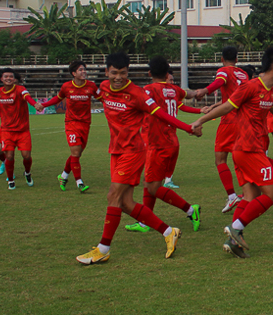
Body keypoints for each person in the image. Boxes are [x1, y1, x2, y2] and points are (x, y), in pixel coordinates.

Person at [76, 52, 201, 265]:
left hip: (133, 152)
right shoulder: (104, 87)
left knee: (113, 196)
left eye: (123, 73)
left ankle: (103, 249)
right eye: (114, 73)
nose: (118, 77)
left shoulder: (138, 94)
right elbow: (90, 91)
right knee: (125, 203)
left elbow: (162, 114)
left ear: (128, 73)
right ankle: (169, 232)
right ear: (107, 72)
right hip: (116, 150)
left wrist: (188, 127)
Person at [189, 48, 273, 258]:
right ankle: (236, 228)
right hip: (248, 150)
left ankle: (233, 241)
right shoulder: (251, 86)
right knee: (272, 193)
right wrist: (200, 120)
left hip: (250, 150)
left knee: (251, 196)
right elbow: (228, 106)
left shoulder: (269, 90)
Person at [125, 56, 203, 233]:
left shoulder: (148, 90)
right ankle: (145, 221)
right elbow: (189, 94)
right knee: (150, 182)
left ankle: (191, 210)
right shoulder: (174, 90)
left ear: (150, 73)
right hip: (171, 142)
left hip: (157, 143)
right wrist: (199, 92)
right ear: (167, 73)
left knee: (153, 187)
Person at [192, 46, 248, 213]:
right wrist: (216, 105)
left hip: (229, 121)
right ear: (237, 60)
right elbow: (235, 97)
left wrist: (205, 90)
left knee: (220, 159)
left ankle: (232, 196)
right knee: (241, 159)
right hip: (245, 121)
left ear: (222, 59)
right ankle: (248, 194)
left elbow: (220, 81)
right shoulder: (243, 74)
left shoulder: (224, 70)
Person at [35, 60, 100, 193]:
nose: (84, 72)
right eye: (81, 70)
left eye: (84, 69)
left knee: (77, 154)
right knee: (75, 152)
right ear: (74, 73)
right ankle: (79, 182)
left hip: (86, 123)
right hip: (71, 123)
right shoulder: (66, 87)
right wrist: (44, 105)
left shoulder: (91, 86)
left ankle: (63, 175)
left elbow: (101, 97)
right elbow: (57, 98)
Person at [241, 65, 273, 190]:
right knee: (260, 157)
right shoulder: (255, 88)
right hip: (258, 130)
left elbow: (228, 103)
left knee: (257, 157)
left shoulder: (259, 87)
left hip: (258, 130)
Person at [0, 68, 38, 190]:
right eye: (6, 76)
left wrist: (34, 104)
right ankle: (11, 180)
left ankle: (27, 173)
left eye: (11, 76)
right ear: (2, 79)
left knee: (26, 156)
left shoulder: (20, 89)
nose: (8, 78)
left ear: (14, 79)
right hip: (7, 131)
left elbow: (27, 97)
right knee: (9, 156)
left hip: (23, 131)